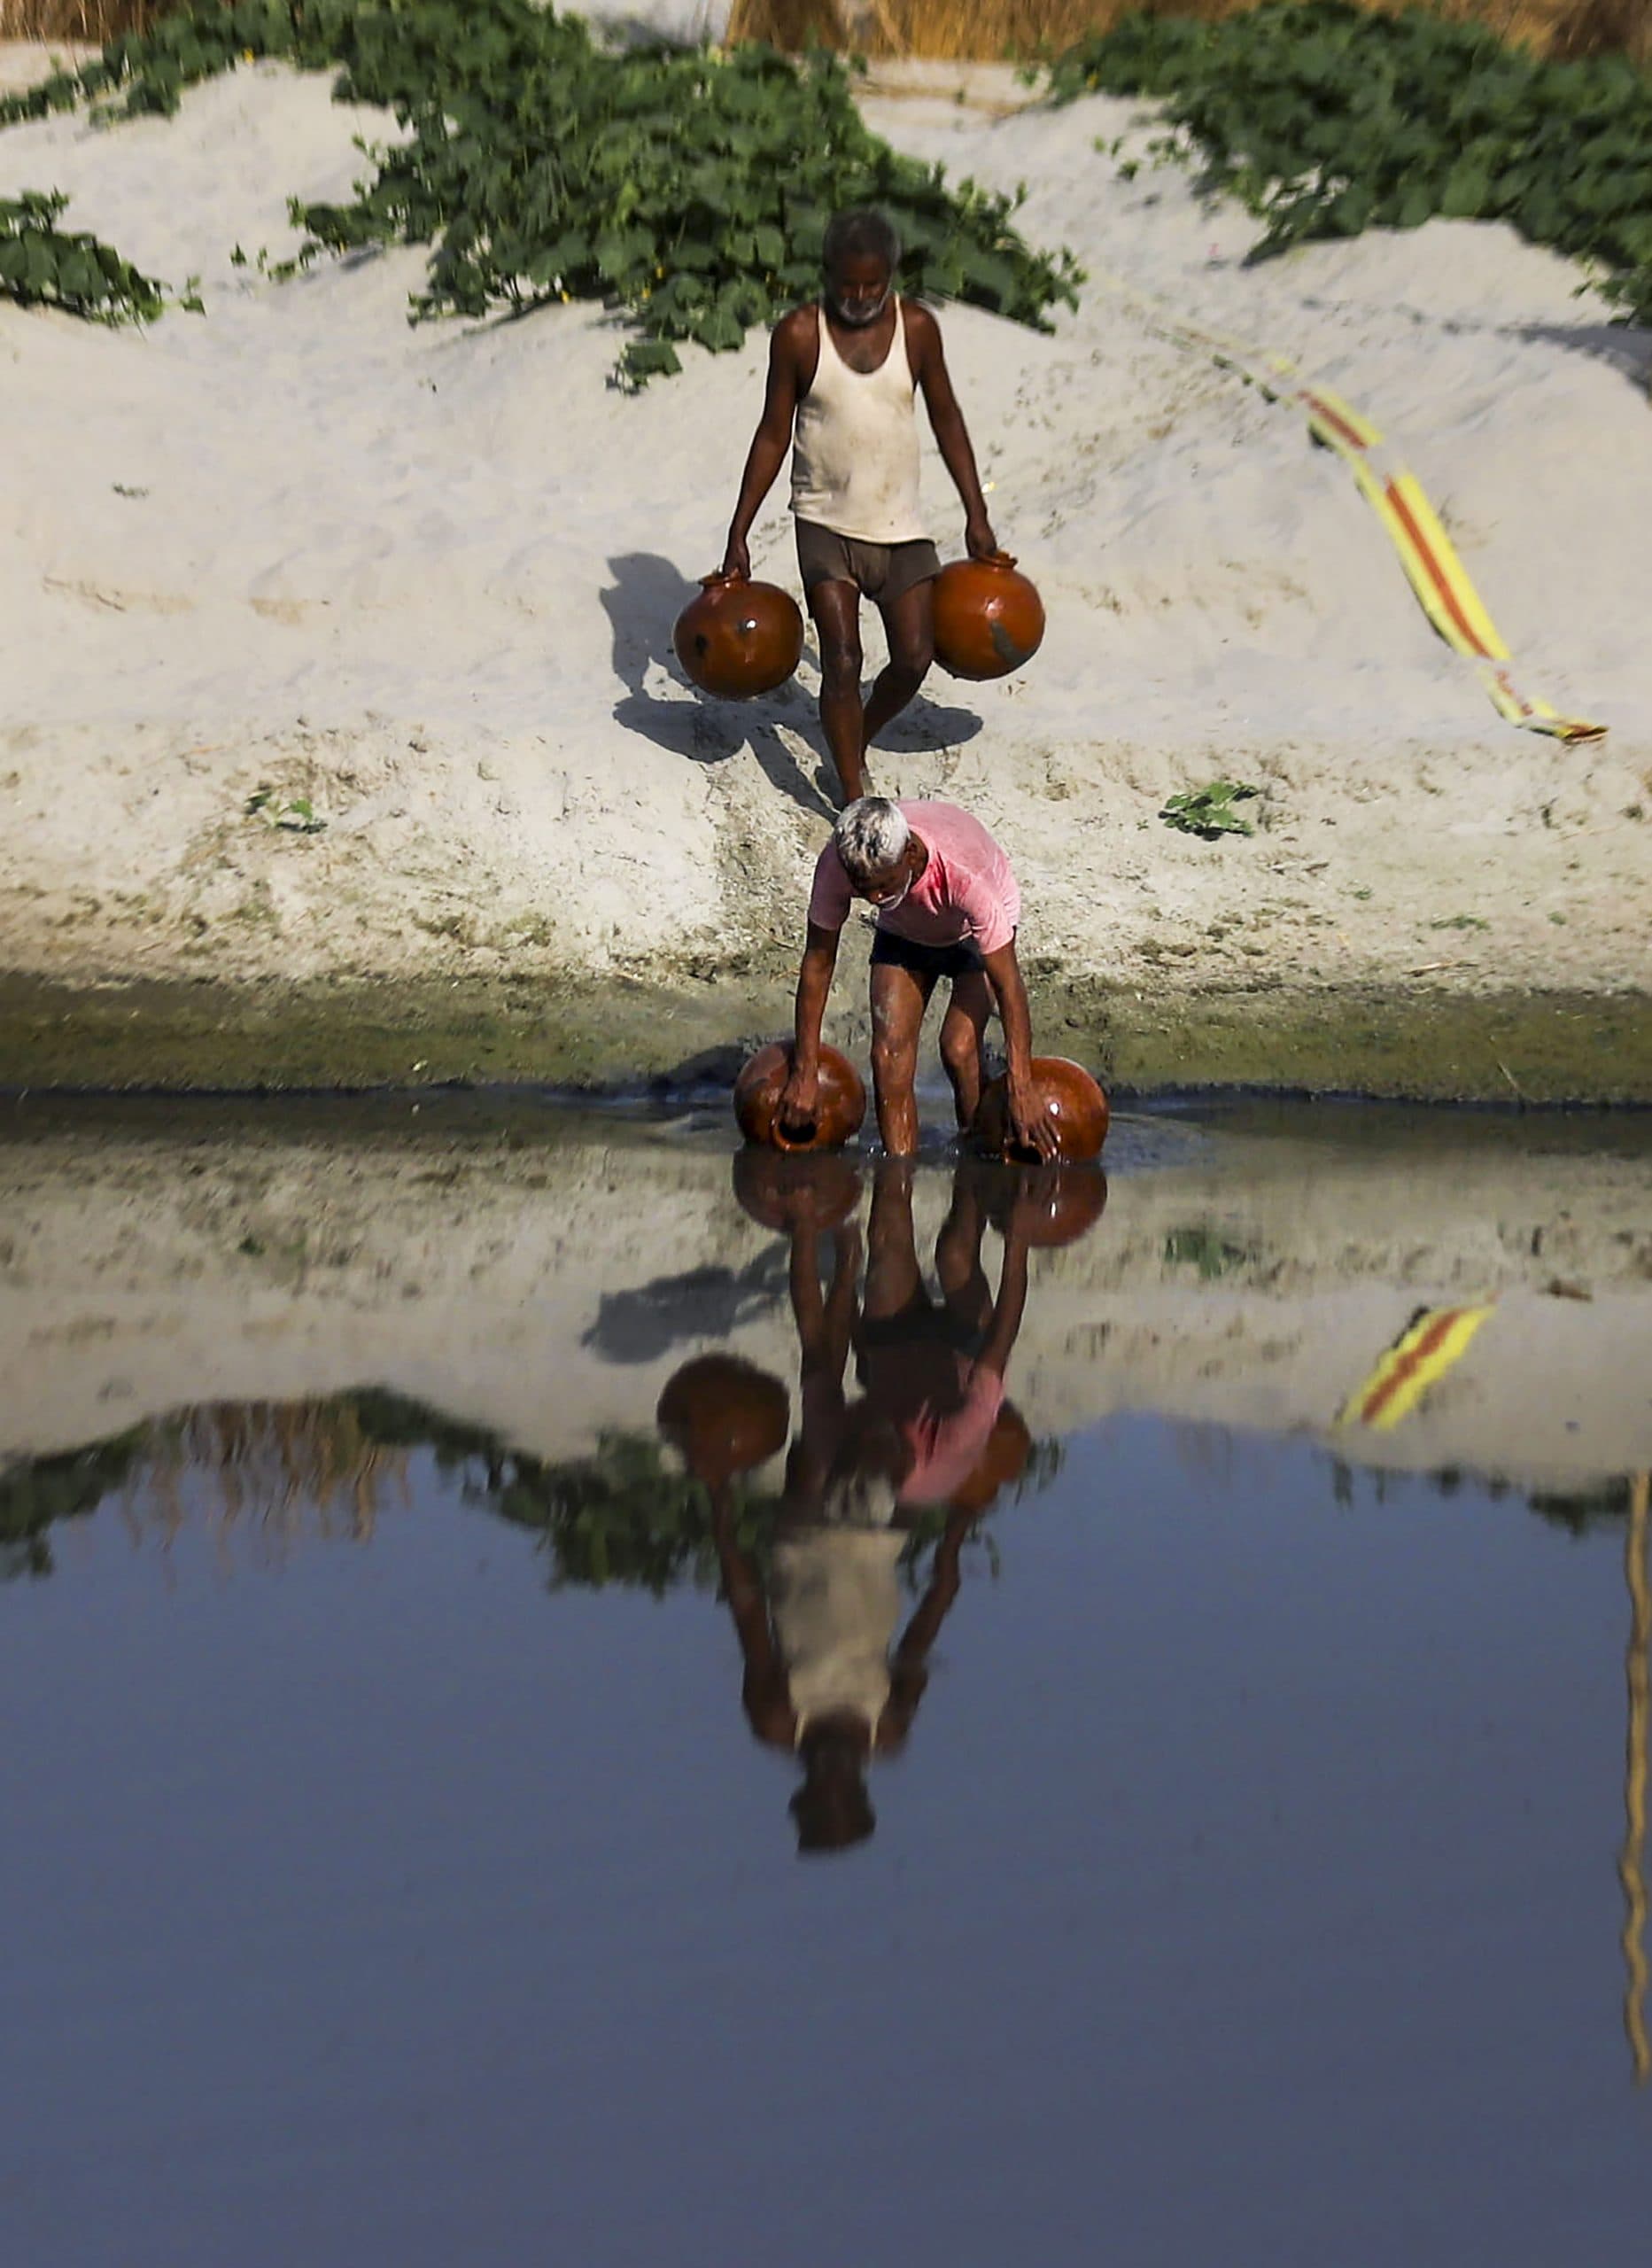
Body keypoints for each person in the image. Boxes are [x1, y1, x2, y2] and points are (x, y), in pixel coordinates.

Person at [710, 1156, 1038, 1854]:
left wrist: (718, 1500)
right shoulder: (886, 1728)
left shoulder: (775, 1719)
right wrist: (953, 1539)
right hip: (872, 1527)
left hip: (802, 1533)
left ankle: (809, 1229)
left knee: (816, 1365)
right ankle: (845, 1243)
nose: (827, 1771)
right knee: (826, 1371)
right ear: (861, 1784)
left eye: (814, 1788)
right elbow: (925, 1622)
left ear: (798, 1789)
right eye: (842, 1785)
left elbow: (746, 1610)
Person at [720, 206, 999, 804]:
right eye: (847, 285)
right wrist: (738, 531)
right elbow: (772, 433)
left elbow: (947, 418)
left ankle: (852, 739)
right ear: (826, 274)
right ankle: (851, 790)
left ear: (892, 275)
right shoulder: (798, 334)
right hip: (823, 522)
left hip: (899, 525)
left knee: (914, 657)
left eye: (873, 285)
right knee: (842, 658)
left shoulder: (917, 329)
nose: (860, 297)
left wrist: (976, 512)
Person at [782, 794, 1057, 1160]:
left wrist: (1022, 1086)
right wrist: (804, 1071)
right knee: (888, 1054)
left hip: (968, 932)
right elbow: (817, 964)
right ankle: (898, 1175)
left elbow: (1009, 985)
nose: (876, 898)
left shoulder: (964, 873)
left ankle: (978, 1151)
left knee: (959, 1048)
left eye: (884, 885)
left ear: (910, 854)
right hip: (904, 930)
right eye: (864, 891)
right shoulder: (839, 863)